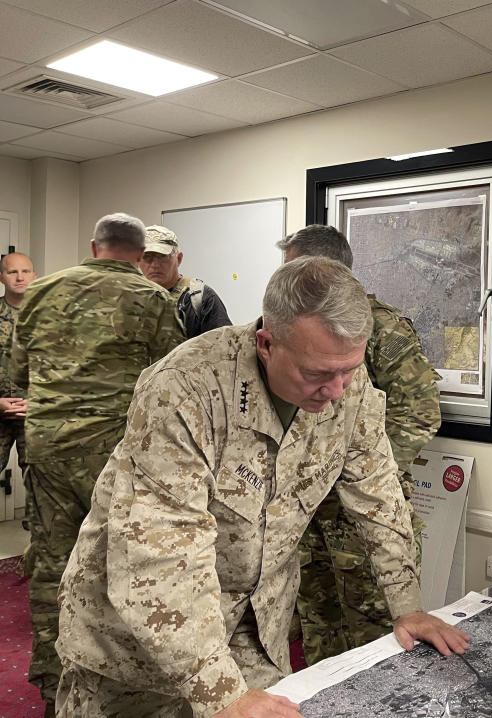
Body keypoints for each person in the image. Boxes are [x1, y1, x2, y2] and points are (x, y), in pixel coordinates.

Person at [55, 256, 467, 718]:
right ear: (267, 344)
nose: (336, 390)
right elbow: (159, 554)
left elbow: (379, 496)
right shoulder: (186, 388)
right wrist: (219, 693)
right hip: (139, 648)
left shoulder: (345, 383)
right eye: (316, 374)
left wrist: (407, 606)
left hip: (251, 633)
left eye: (347, 370)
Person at [9, 213, 184, 711]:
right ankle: (113, 687)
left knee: (52, 563)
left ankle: (49, 682)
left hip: (46, 447)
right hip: (111, 455)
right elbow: (167, 379)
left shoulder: (41, 292)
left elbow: (19, 369)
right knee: (119, 567)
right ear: (139, 251)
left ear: (93, 245)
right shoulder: (153, 300)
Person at [277, 224, 443, 663]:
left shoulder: (381, 328)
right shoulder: (291, 333)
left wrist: (352, 464)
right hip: (310, 516)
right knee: (318, 634)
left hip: (366, 518)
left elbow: (420, 413)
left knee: (379, 643)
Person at [0, 252, 37, 576]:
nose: (20, 277)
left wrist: (37, 400)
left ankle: (35, 558)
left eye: (26, 271)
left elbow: (59, 365)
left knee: (40, 487)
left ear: (34, 275)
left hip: (35, 413)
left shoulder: (46, 316)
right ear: (2, 277)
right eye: (13, 272)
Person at [139, 224, 232, 337]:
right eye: (147, 257)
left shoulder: (201, 298)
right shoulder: (130, 298)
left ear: (179, 259)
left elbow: (225, 346)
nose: (155, 265)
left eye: (163, 257)